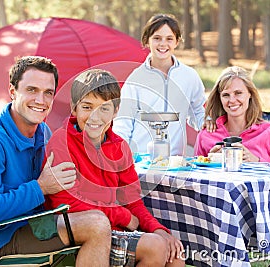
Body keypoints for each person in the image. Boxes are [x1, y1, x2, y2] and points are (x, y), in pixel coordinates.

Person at [0, 56, 111, 266]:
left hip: (35, 221)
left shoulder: (42, 132)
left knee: (107, 216)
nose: (41, 101)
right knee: (96, 224)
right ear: (12, 91)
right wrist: (40, 187)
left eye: (48, 93)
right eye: (32, 90)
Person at [44, 69, 185, 267]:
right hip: (76, 230)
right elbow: (67, 203)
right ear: (74, 109)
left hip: (114, 228)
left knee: (175, 256)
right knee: (155, 248)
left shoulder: (119, 146)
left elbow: (133, 201)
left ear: (116, 111)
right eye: (87, 106)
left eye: (104, 108)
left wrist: (157, 229)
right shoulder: (61, 142)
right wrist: (123, 216)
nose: (95, 116)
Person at [113, 13, 207, 157]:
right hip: (140, 161)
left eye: (169, 39)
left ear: (177, 42)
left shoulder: (189, 76)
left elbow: (199, 113)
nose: (163, 44)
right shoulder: (135, 79)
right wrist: (120, 156)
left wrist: (210, 126)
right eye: (157, 38)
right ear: (147, 41)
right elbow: (123, 122)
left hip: (175, 162)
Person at [194, 66, 270, 167]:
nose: (232, 100)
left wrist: (257, 162)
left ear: (250, 94)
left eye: (238, 93)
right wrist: (211, 162)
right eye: (226, 95)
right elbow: (194, 178)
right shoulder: (206, 136)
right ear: (219, 99)